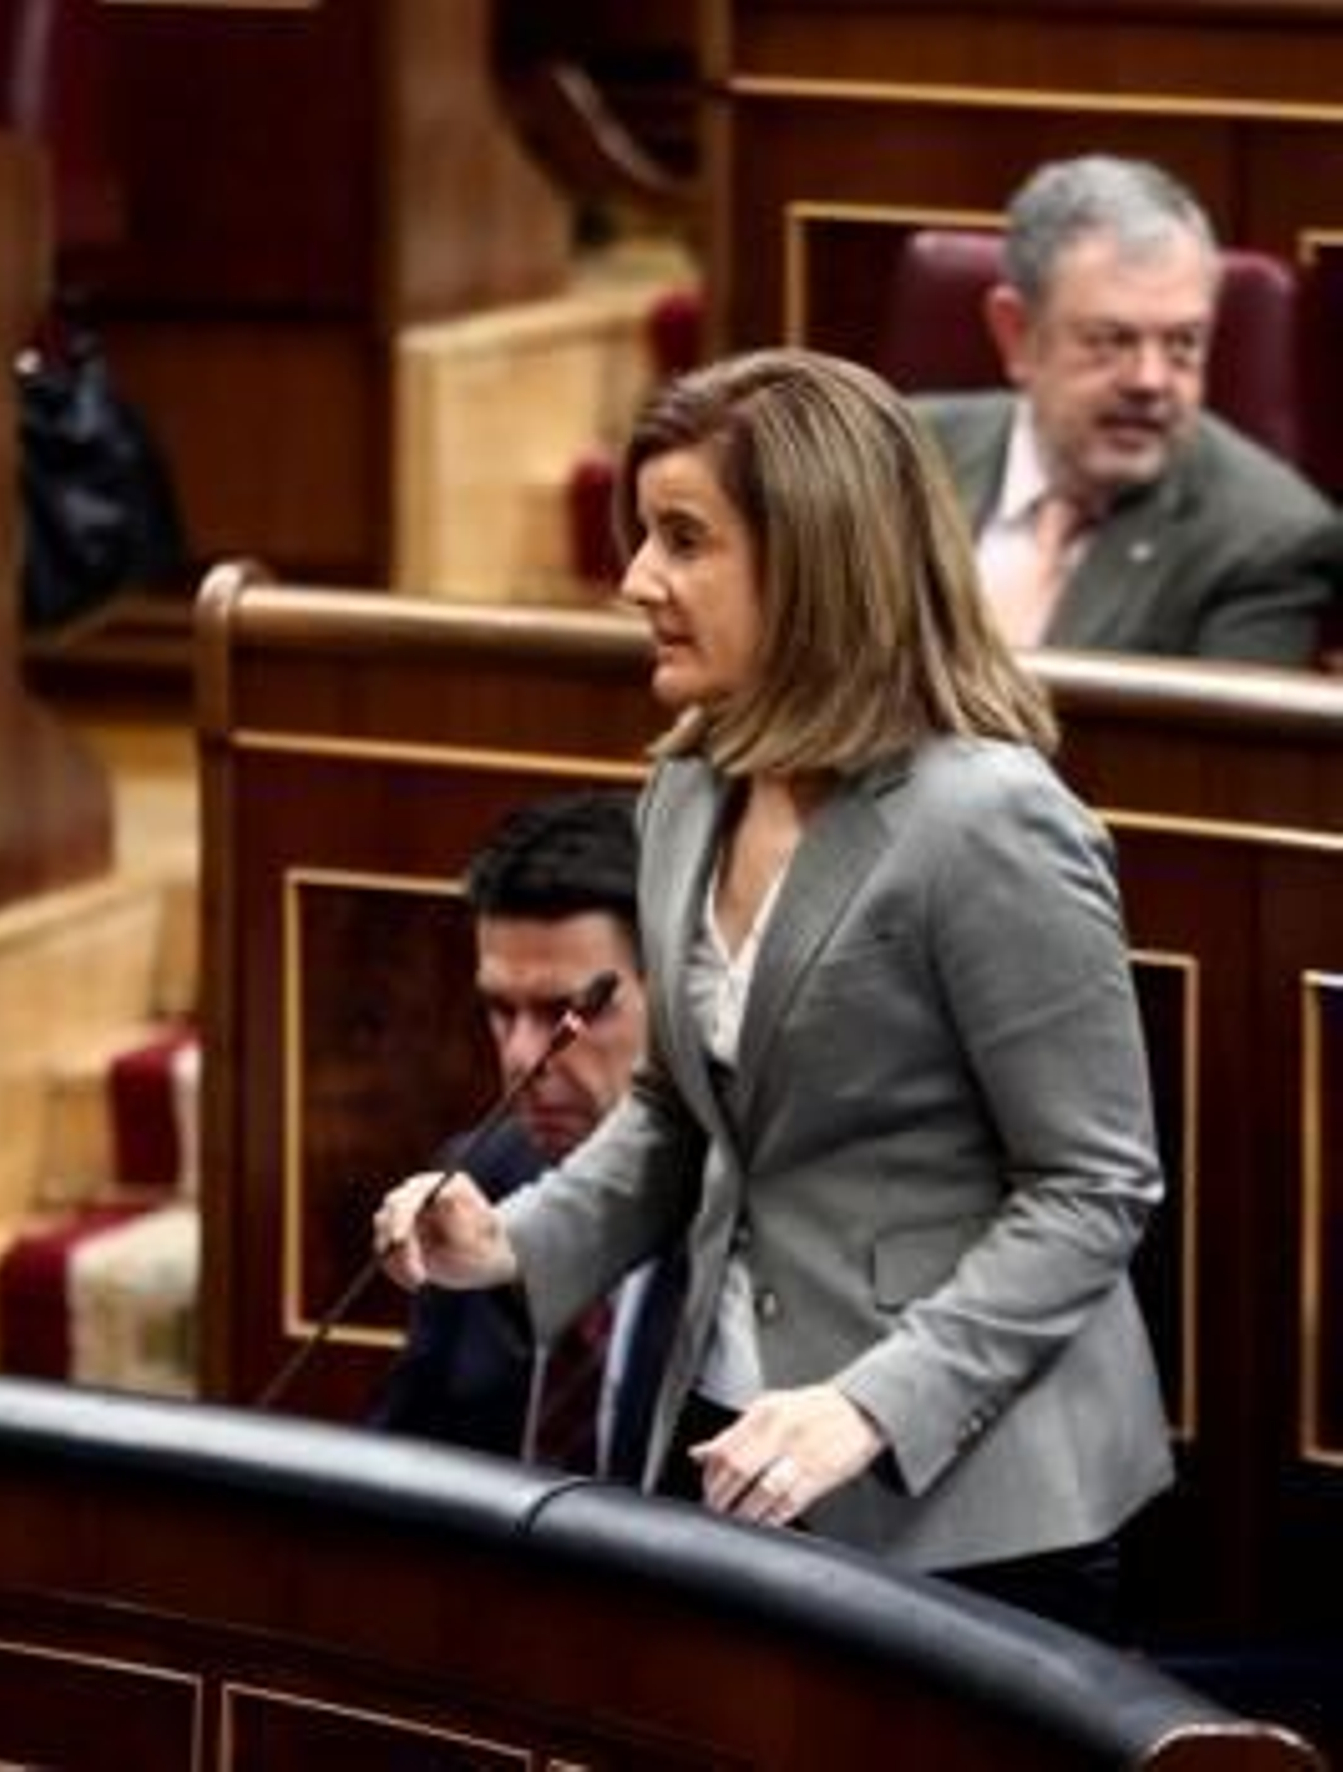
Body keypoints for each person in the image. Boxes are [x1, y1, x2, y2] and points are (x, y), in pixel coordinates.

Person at [374, 346, 1174, 1639]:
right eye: (644, 537)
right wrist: (515, 1239)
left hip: (966, 1500)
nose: (638, 581)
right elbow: (681, 1112)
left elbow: (1094, 1189)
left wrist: (870, 1403)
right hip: (735, 1440)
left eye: (684, 540)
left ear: (814, 562)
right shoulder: (694, 782)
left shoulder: (988, 822)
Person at [368, 789, 680, 1480]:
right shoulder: (477, 1186)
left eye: (566, 1013)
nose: (520, 1057)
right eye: (500, 1012)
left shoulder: (742, 1220)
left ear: (680, 994)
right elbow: (406, 1467)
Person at [916, 154, 1335, 666]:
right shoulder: (892, 461)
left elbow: (1209, 750)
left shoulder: (1267, 541)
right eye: (1110, 341)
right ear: (1017, 335)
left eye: (1183, 343)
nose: (1150, 381)